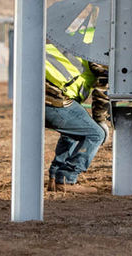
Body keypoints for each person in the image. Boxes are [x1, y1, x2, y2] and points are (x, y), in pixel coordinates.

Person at [44, 42, 108, 192]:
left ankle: (55, 178)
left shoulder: (80, 37)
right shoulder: (104, 48)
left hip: (33, 97)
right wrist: (100, 120)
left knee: (73, 131)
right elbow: (103, 88)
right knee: (96, 134)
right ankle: (67, 179)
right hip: (53, 98)